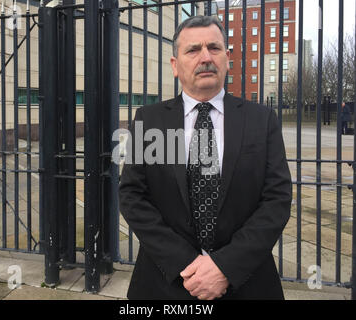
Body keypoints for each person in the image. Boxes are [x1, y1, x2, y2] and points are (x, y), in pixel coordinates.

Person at [119, 15, 292, 300]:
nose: (205, 57)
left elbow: (277, 199)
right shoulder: (149, 121)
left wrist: (225, 267)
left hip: (247, 282)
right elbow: (133, 197)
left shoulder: (261, 120)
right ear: (175, 66)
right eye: (192, 50)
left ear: (226, 58)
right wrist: (185, 264)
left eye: (214, 48)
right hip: (167, 282)